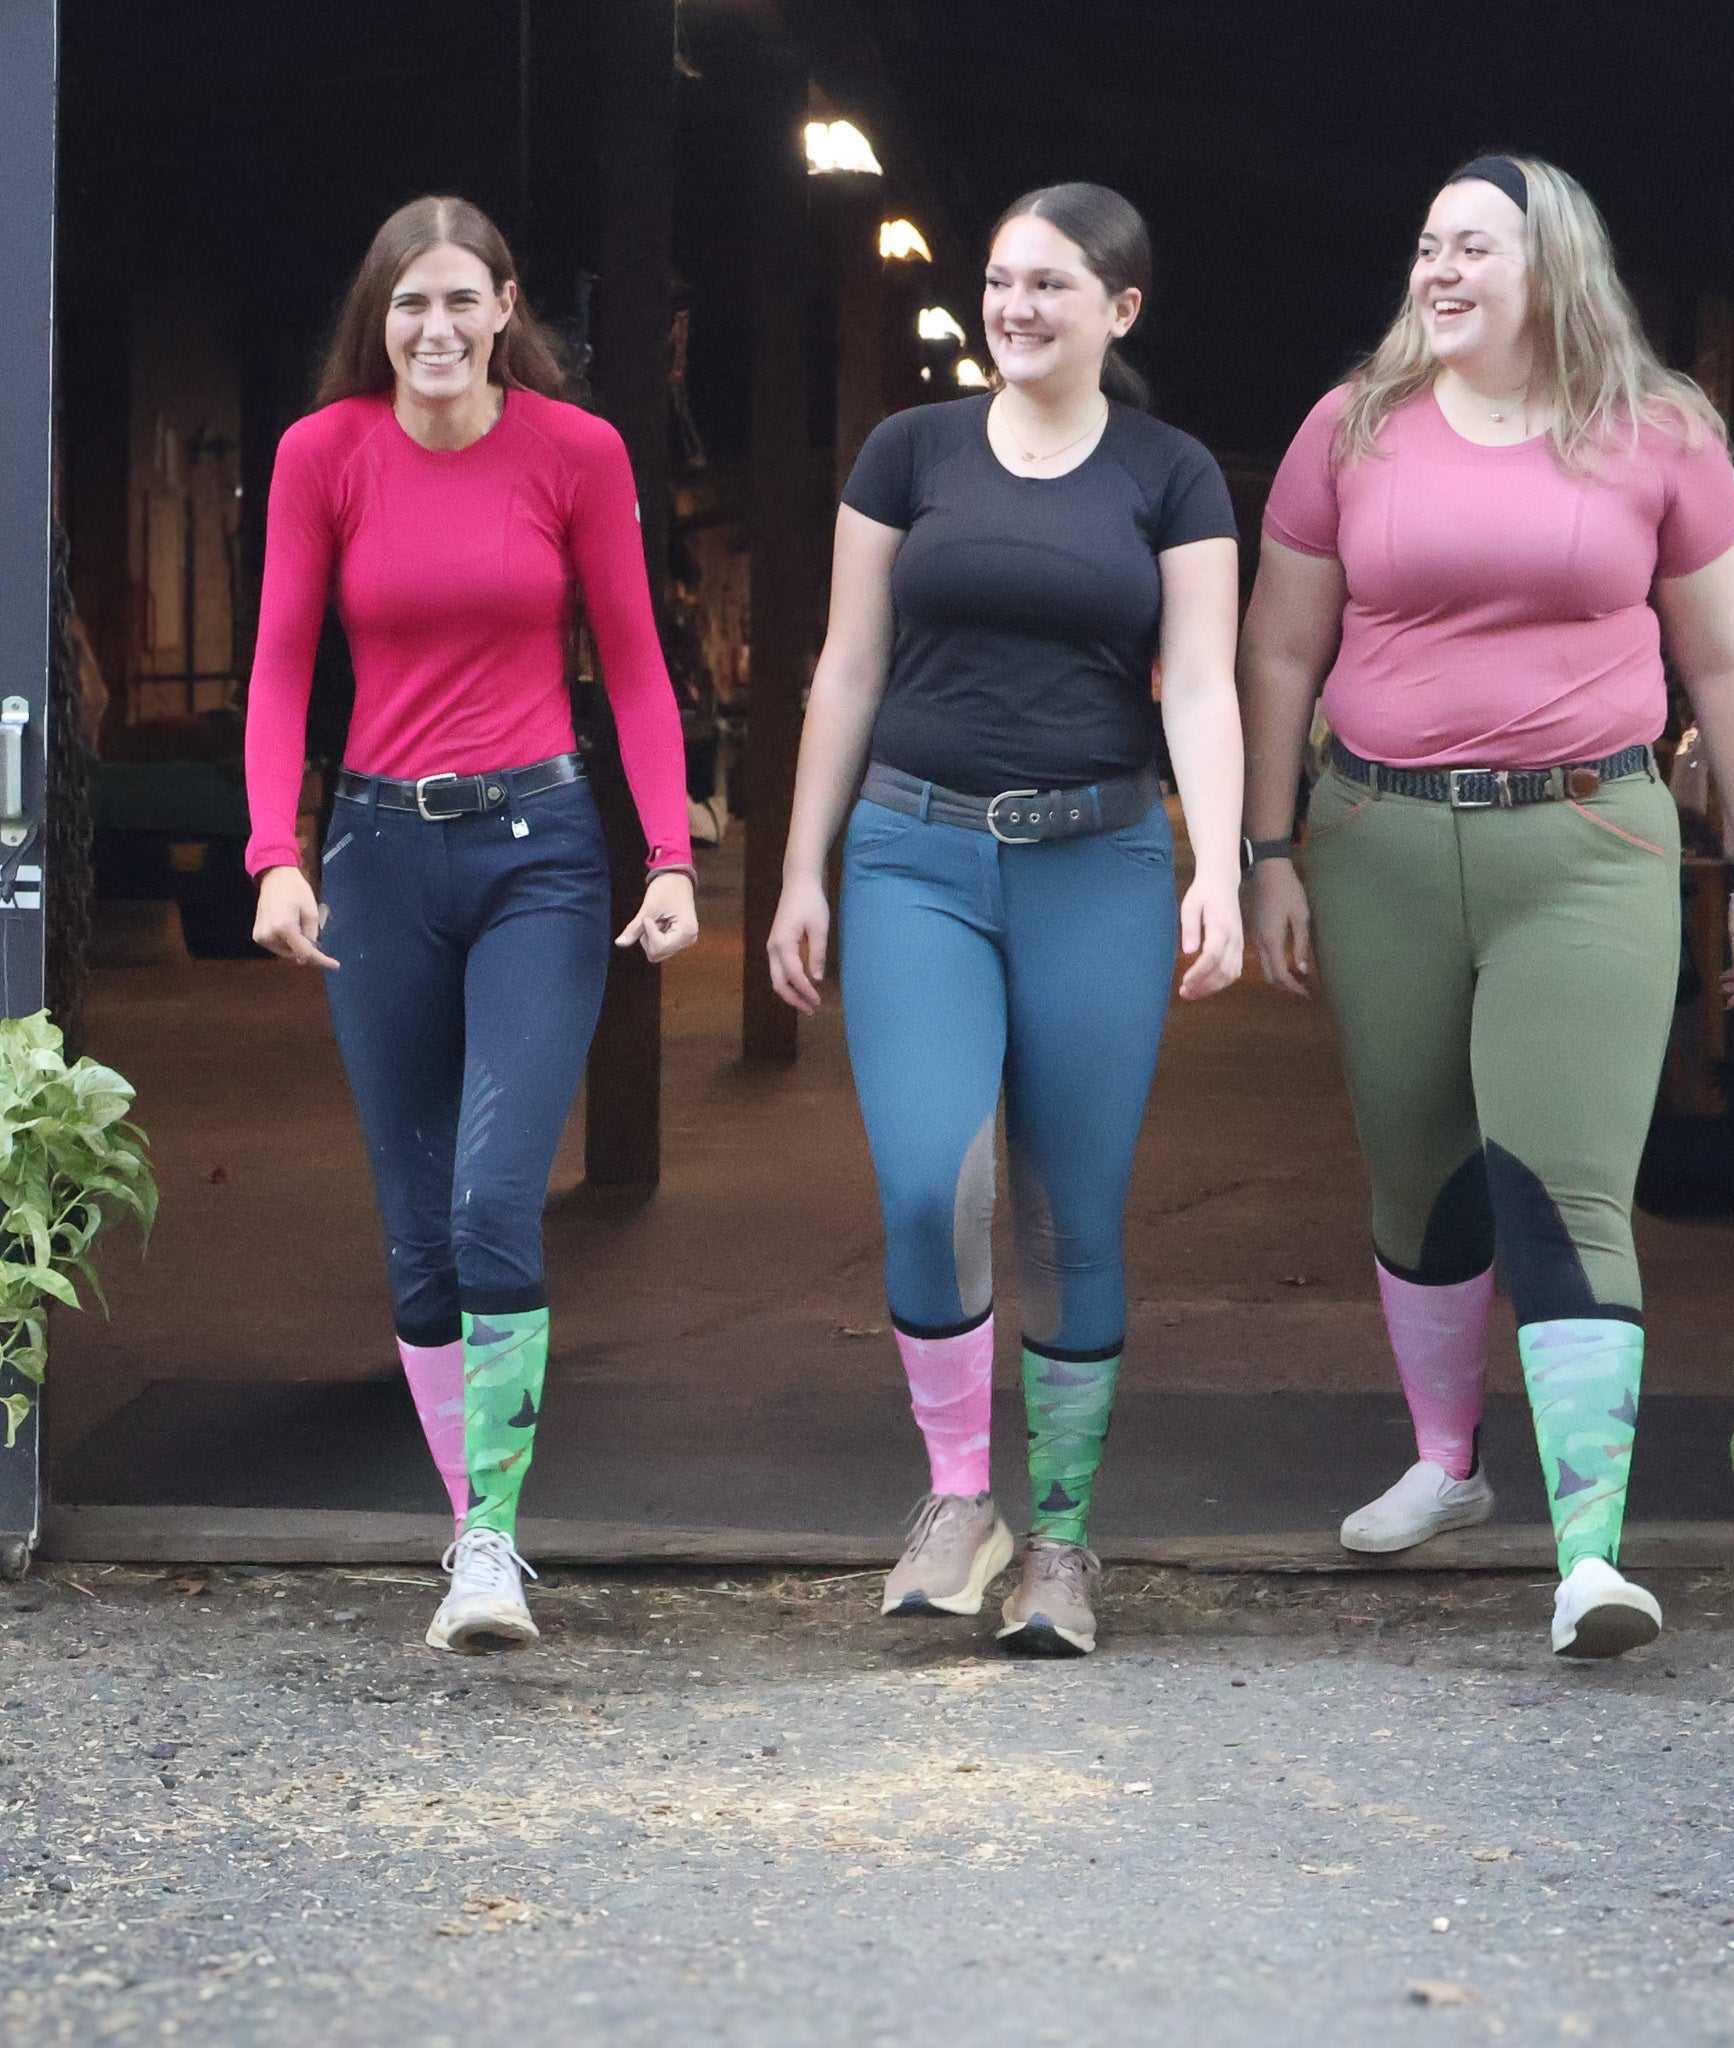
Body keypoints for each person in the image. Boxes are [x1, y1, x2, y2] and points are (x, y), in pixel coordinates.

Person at [1239, 155, 1734, 1658]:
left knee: (1567, 1183)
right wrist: (1266, 846)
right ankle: (1444, 1465)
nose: (1442, 269)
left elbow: (1731, 660)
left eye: (1473, 246)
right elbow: (1281, 651)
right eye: (1427, 245)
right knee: (1419, 1165)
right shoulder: (1350, 427)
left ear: (1553, 265)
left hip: (1586, 845)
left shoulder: (1657, 432)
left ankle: (1591, 1555)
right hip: (1380, 839)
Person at [767, 182, 1243, 1657]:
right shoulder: (911, 453)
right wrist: (801, 867)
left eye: (1049, 284)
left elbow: (1206, 683)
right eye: (1000, 281)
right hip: (916, 852)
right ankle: (956, 1499)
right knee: (931, 1184)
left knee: (1068, 1208)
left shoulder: (1174, 475)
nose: (1016, 308)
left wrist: (1216, 863)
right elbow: (847, 667)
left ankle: (1063, 1544)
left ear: (1122, 308)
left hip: (1097, 862)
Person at [245, 195, 697, 1653]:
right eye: (405, 306)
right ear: (375, 321)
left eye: (458, 302)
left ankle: (492, 1544)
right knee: (414, 1224)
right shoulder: (327, 454)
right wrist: (275, 853)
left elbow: (632, 666)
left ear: (506, 307)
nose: (432, 330)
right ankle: (472, 1530)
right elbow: (276, 670)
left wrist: (672, 854)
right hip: (376, 853)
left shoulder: (578, 453)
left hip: (538, 853)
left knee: (494, 1200)